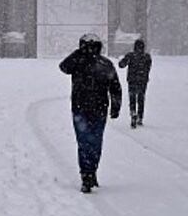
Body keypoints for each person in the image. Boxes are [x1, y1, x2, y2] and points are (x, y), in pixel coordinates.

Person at [59, 33, 122, 193]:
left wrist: (116, 106)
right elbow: (63, 67)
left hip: (83, 108)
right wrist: (115, 106)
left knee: (85, 142)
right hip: (95, 109)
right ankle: (89, 173)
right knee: (93, 142)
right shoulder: (102, 63)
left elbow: (115, 87)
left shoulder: (84, 62)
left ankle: (88, 172)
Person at [119, 39, 152, 128]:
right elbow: (148, 68)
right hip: (142, 81)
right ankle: (140, 117)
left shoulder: (130, 56)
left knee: (132, 98)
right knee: (141, 99)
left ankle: (133, 113)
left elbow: (121, 65)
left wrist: (123, 61)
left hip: (132, 80)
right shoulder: (147, 57)